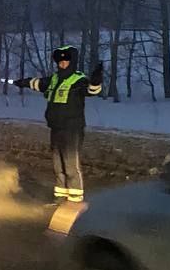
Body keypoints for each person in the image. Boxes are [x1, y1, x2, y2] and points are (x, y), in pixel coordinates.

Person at [14, 46, 103, 202]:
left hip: (72, 129)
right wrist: (23, 82)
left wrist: (96, 80)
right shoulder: (54, 79)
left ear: (72, 61)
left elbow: (91, 90)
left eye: (65, 61)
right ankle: (61, 197)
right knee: (58, 165)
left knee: (70, 165)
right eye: (60, 61)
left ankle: (75, 199)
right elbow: (39, 83)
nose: (62, 64)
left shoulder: (78, 79)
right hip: (56, 127)